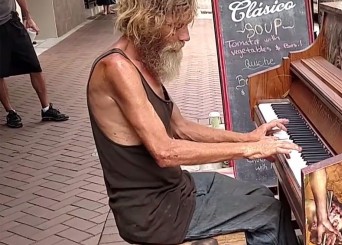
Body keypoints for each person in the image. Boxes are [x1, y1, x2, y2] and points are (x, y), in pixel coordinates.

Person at [86, 0, 301, 244]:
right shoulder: (116, 68)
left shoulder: (143, 62)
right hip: (152, 212)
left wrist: (249, 138)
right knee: (269, 212)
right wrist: (250, 149)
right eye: (176, 26)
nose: (185, 36)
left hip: (176, 188)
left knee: (260, 194)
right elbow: (165, 152)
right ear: (147, 22)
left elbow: (182, 127)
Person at [0, 0, 69, 128]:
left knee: (34, 66)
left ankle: (46, 109)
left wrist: (28, 17)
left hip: (12, 23)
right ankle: (10, 112)